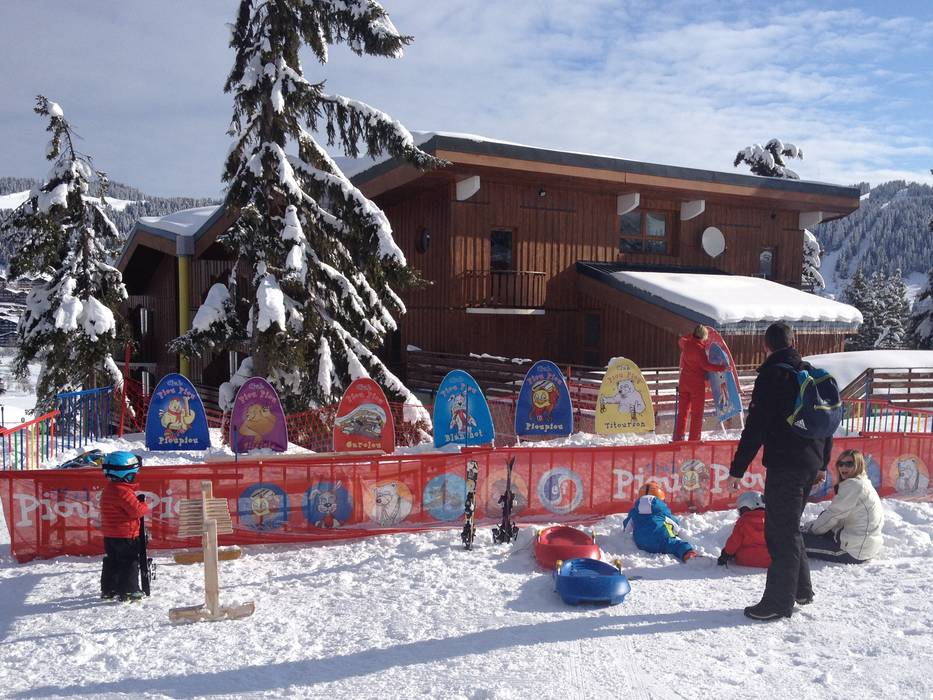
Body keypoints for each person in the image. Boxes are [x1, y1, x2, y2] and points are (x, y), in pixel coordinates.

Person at [727, 321, 832, 621]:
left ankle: (777, 602)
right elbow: (827, 423)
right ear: (793, 342)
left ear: (766, 346)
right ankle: (801, 590)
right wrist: (822, 463)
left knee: (779, 532)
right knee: (789, 527)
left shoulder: (773, 375)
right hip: (810, 463)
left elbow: (756, 426)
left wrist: (738, 468)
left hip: (786, 465)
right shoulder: (809, 372)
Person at [802, 449, 884, 564]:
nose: (843, 467)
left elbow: (833, 515)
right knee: (822, 518)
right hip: (863, 545)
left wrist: (811, 530)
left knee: (796, 541)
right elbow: (836, 516)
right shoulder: (862, 482)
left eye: (849, 464)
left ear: (858, 465)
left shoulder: (853, 485)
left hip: (852, 551)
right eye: (840, 464)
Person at [99, 451, 149, 602]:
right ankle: (129, 590)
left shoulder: (108, 489)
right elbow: (137, 511)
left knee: (112, 561)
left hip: (110, 535)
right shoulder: (123, 492)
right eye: (133, 475)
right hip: (126, 535)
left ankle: (109, 589)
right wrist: (143, 504)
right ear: (126, 475)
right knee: (129, 561)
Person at [673, 324, 728, 442]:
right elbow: (706, 366)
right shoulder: (700, 349)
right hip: (696, 385)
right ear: (703, 336)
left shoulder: (686, 344)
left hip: (684, 383)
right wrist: (722, 368)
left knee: (683, 412)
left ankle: (679, 438)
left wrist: (692, 335)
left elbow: (681, 340)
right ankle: (694, 439)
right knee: (696, 413)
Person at [622, 481, 697, 563]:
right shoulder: (661, 510)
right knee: (678, 545)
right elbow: (675, 524)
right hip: (661, 542)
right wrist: (676, 532)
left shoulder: (635, 510)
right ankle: (689, 555)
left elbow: (626, 527)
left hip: (641, 543)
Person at [717, 491, 770, 568]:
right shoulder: (772, 521)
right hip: (769, 561)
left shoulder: (743, 522)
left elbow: (734, 542)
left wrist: (725, 554)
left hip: (746, 560)